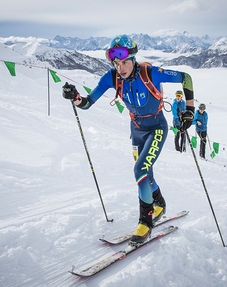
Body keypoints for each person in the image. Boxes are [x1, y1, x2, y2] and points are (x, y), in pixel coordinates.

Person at [62, 34, 195, 246]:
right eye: (117, 62)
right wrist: (75, 97)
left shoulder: (151, 73)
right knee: (145, 171)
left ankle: (146, 222)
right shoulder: (111, 77)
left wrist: (190, 109)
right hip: (136, 129)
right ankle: (159, 203)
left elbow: (186, 77)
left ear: (133, 58)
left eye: (124, 61)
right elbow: (87, 103)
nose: (121, 67)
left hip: (157, 128)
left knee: (140, 170)